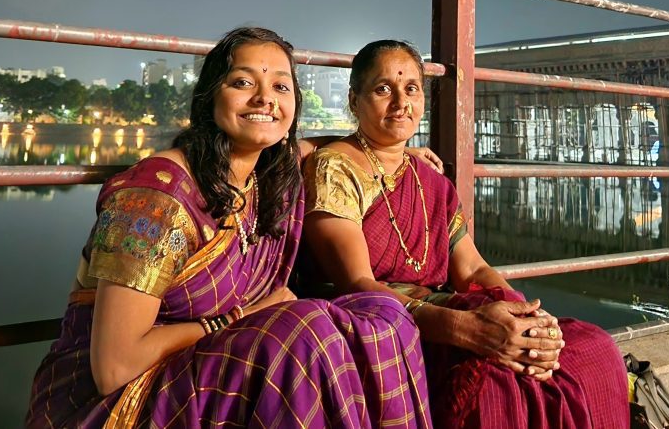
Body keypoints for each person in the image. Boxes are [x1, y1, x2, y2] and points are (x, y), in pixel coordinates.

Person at [27, 28, 432, 429]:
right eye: (243, 82)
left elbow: (331, 144)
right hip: (126, 398)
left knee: (384, 314)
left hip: (216, 363)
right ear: (209, 97)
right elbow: (114, 368)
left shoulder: (268, 175)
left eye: (280, 86)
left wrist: (393, 147)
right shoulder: (155, 201)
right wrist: (244, 316)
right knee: (306, 332)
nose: (265, 99)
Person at [300, 39, 630, 429]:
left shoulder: (432, 182)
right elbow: (358, 284)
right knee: (493, 381)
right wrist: (467, 329)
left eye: (411, 89)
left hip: (447, 310)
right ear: (355, 100)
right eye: (383, 89)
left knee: (593, 348)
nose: (400, 103)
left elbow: (472, 269)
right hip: (388, 327)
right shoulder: (335, 168)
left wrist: (528, 322)